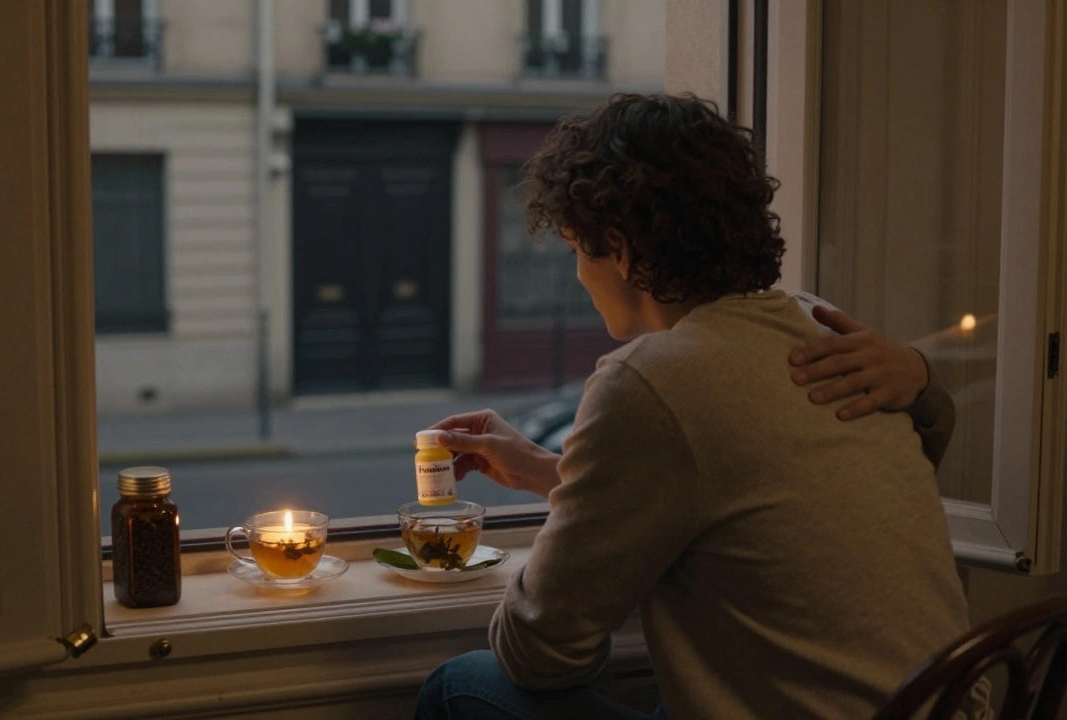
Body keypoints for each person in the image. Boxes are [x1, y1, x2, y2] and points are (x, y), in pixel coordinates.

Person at [414, 94, 985, 720]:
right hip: (943, 707)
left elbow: (541, 655)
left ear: (621, 250)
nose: (579, 275)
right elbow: (754, 490)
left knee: (461, 685)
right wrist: (546, 470)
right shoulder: (819, 327)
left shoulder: (650, 381)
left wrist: (568, 548)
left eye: (579, 250)